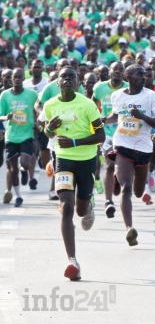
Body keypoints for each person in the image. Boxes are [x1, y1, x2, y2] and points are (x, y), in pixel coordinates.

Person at [43, 66, 105, 280]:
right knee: (66, 207)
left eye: (72, 77)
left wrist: (75, 142)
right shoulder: (50, 105)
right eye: (63, 77)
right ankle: (72, 260)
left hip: (86, 160)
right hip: (63, 160)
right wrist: (50, 128)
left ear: (78, 82)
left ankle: (88, 204)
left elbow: (101, 136)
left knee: (79, 211)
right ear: (57, 83)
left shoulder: (87, 105)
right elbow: (47, 132)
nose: (67, 80)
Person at [104, 64, 155, 246]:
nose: (143, 77)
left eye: (144, 74)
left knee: (138, 192)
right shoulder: (117, 95)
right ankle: (129, 229)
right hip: (122, 144)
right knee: (126, 188)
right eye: (139, 74)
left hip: (144, 149)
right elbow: (116, 116)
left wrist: (142, 117)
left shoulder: (152, 96)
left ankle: (117, 177)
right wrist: (104, 120)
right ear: (127, 77)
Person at [93, 62, 128, 217]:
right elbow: (94, 106)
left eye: (121, 70)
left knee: (120, 167)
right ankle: (108, 201)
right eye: (115, 70)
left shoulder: (129, 88)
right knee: (109, 165)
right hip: (106, 134)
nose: (118, 72)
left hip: (125, 133)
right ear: (109, 72)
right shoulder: (99, 88)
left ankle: (116, 178)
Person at [0, 68, 38, 207]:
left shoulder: (32, 94)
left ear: (23, 79)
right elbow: (0, 115)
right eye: (14, 77)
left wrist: (37, 123)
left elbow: (38, 108)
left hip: (27, 134)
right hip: (11, 136)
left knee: (26, 163)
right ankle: (18, 196)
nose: (16, 79)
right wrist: (6, 117)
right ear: (11, 79)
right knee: (12, 169)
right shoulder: (4, 95)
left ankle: (25, 171)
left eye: (19, 77)